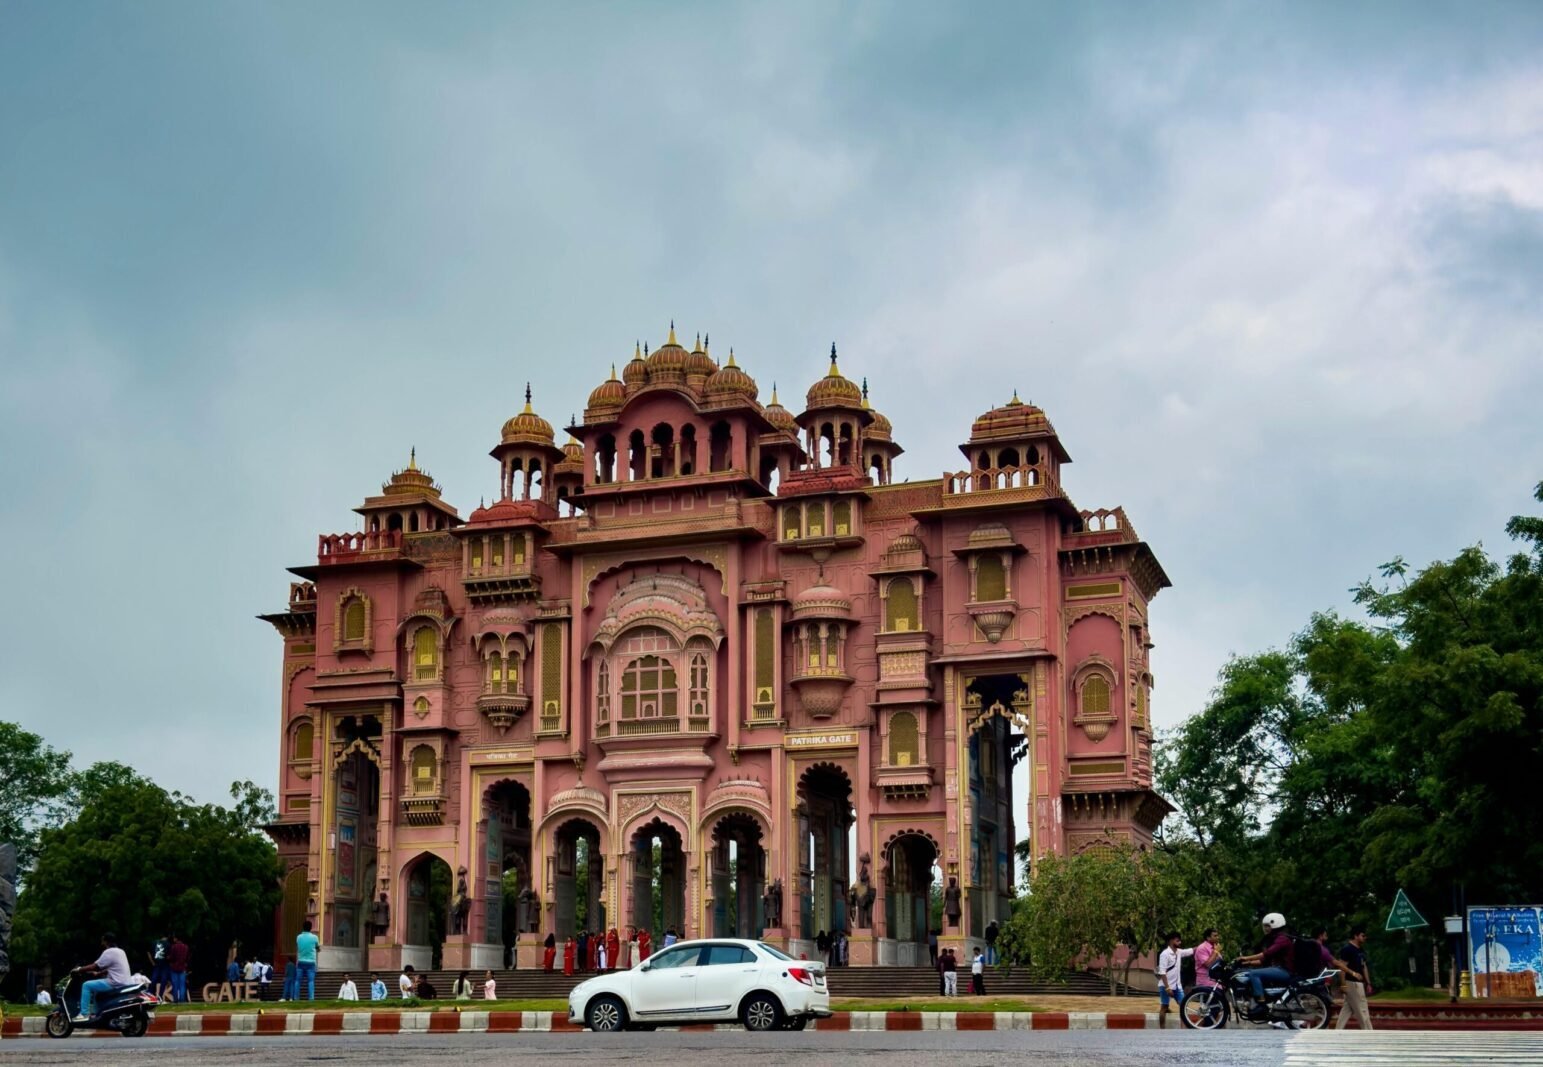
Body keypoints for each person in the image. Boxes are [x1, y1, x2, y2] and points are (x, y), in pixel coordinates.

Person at [1237, 913, 1295, 1015]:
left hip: (1284, 971)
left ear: (1275, 924)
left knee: (1254, 974)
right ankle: (1257, 999)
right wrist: (1246, 963)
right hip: (1279, 969)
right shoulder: (1275, 939)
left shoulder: (1282, 939)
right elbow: (1263, 961)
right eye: (1265, 926)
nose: (1265, 928)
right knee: (1250, 972)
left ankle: (1261, 1005)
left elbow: (1265, 954)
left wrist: (1245, 957)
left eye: (1268, 926)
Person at [74, 932, 132, 1022]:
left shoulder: (109, 952)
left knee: (86, 985)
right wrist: (98, 973)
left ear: (106, 942)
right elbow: (113, 967)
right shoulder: (121, 951)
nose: (102, 943)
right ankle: (96, 1013)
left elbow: (95, 966)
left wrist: (79, 969)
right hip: (125, 981)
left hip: (115, 983)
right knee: (97, 990)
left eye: (103, 941)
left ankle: (84, 1014)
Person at [1335, 927, 1373, 1031]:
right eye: (1363, 935)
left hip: (1359, 983)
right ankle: (1369, 1032)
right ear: (1356, 936)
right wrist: (1343, 985)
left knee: (1347, 1009)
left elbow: (1363, 966)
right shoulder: (1347, 949)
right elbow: (1342, 968)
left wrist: (1368, 983)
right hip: (1352, 983)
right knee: (1362, 1009)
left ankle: (1337, 1031)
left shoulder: (1360, 950)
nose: (1365, 938)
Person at [1156, 932, 1194, 1028]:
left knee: (1183, 1006)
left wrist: (1204, 945)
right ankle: (1162, 1029)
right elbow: (1162, 972)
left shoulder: (1179, 952)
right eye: (1177, 940)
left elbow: (1191, 950)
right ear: (1171, 941)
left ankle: (1183, 1028)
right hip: (1166, 985)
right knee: (1164, 1007)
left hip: (1177, 986)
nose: (1179, 942)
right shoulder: (1164, 954)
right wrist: (1167, 988)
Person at [296, 919, 320, 1001]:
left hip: (301, 961)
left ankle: (296, 998)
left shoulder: (298, 937)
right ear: (311, 928)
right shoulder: (315, 937)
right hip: (311, 962)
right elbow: (317, 948)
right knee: (310, 981)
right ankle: (311, 998)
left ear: (303, 927)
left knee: (298, 981)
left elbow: (298, 947)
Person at [167, 934, 190, 1003]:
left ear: (176, 939)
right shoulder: (186, 947)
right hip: (182, 967)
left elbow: (172, 957)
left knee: (175, 985)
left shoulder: (173, 947)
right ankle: (182, 999)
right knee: (182, 985)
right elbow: (188, 957)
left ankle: (175, 999)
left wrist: (168, 958)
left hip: (174, 968)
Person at [148, 934, 171, 1001]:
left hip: (156, 964)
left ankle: (150, 993)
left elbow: (148, 953)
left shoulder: (154, 942)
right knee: (163, 980)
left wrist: (152, 962)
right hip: (165, 964)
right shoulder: (168, 944)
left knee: (154, 979)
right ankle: (160, 996)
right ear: (166, 937)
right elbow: (169, 956)